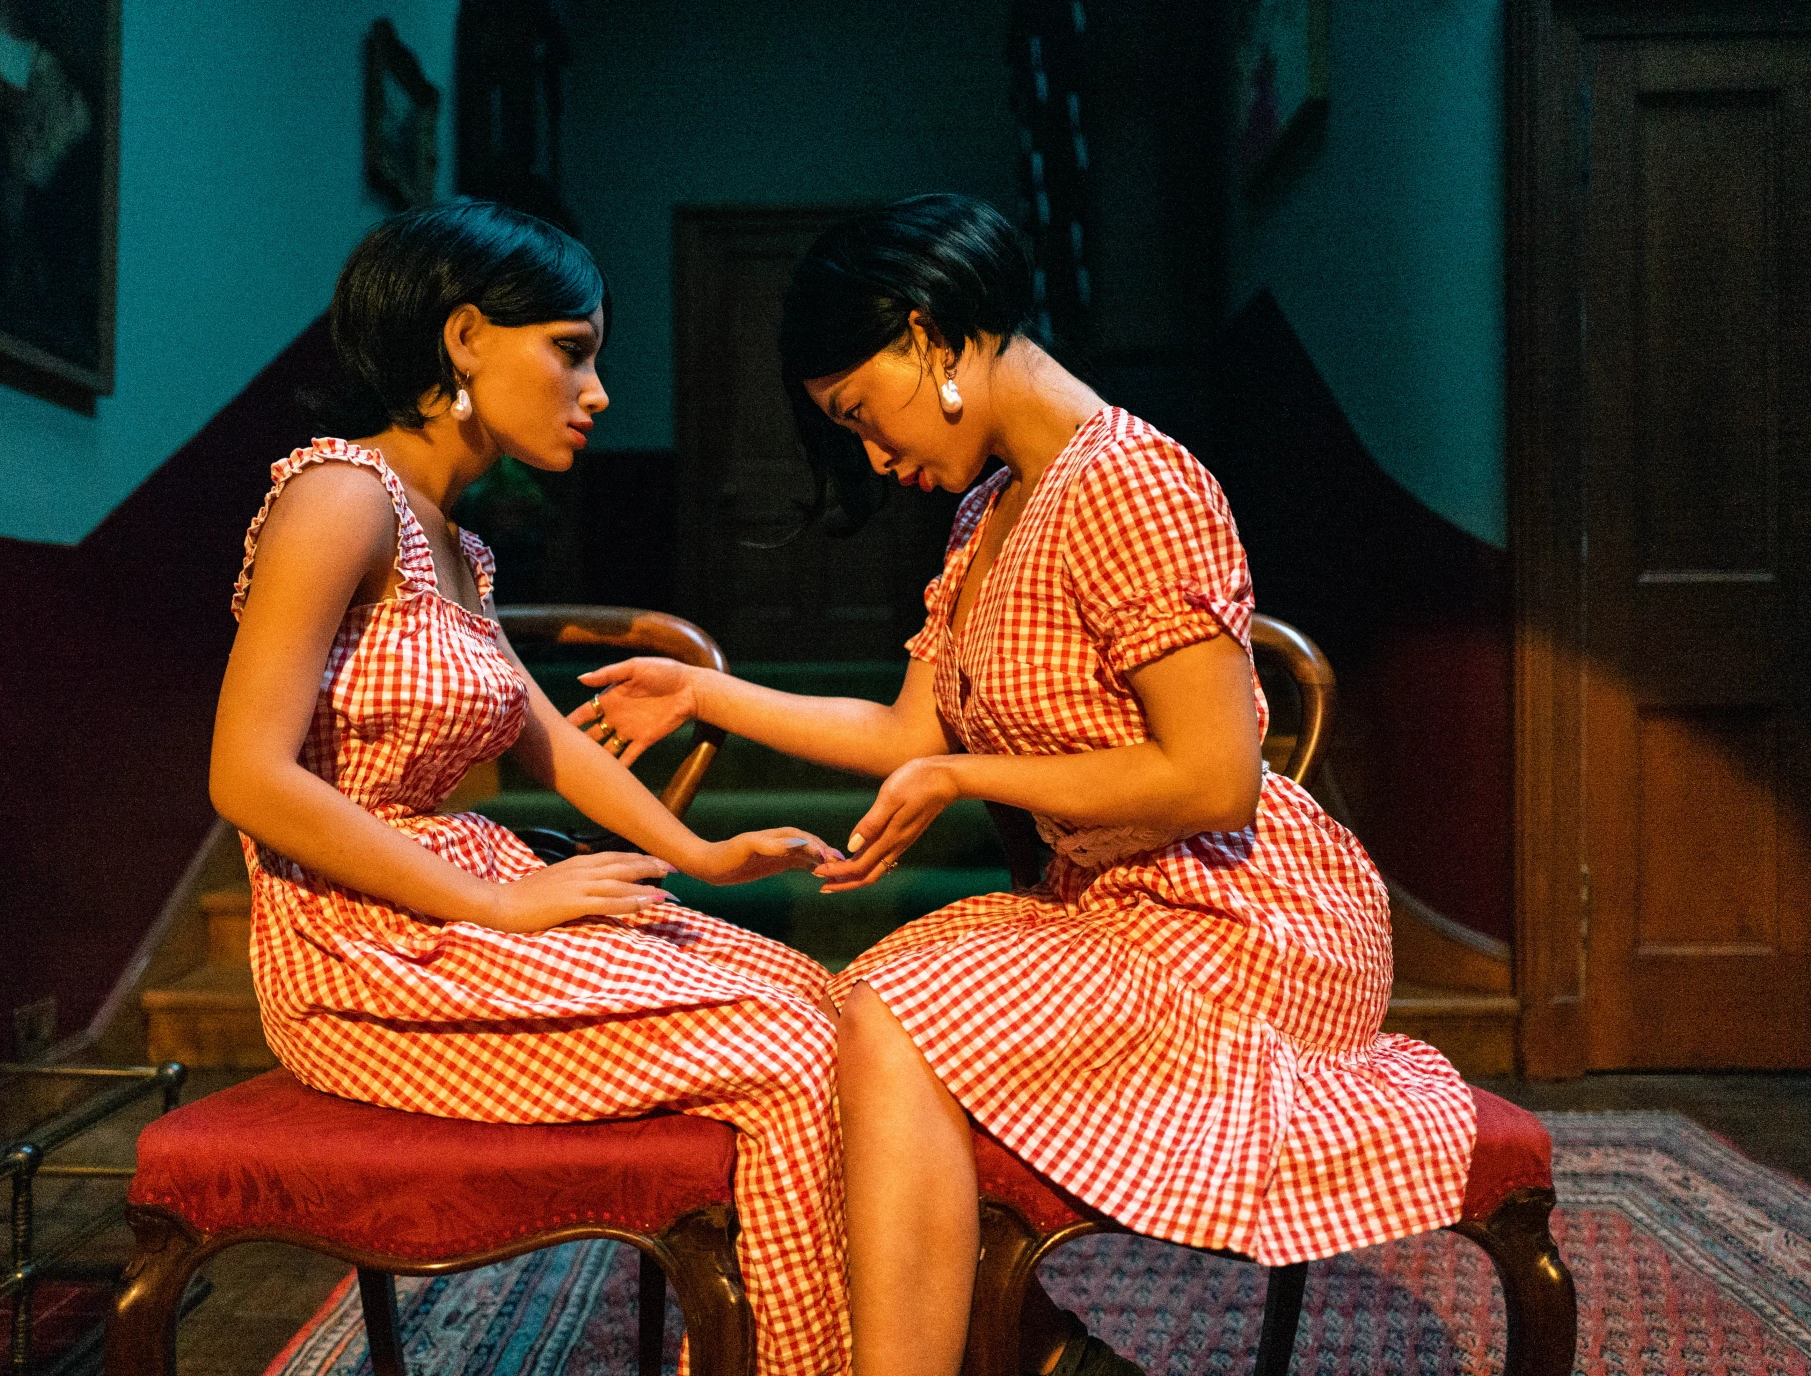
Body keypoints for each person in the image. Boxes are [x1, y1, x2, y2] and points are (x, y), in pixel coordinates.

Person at [571, 194, 1477, 1376]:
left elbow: (1213, 781)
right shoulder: (990, 510)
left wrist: (959, 771)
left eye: (859, 413)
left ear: (925, 334)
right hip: (1110, 909)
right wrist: (705, 696)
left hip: (1239, 920)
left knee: (894, 1011)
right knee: (839, 1007)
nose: (870, 453)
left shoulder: (1132, 482)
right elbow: (904, 727)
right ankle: (1028, 1350)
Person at [209, 200, 852, 1376]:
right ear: (462, 338)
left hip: (457, 907)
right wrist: (501, 907)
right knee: (785, 1049)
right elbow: (246, 775)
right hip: (362, 950)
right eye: (572, 347)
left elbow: (543, 736)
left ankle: (807, 1339)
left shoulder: (451, 537)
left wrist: (701, 856)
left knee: (825, 998)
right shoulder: (338, 496)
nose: (597, 389)